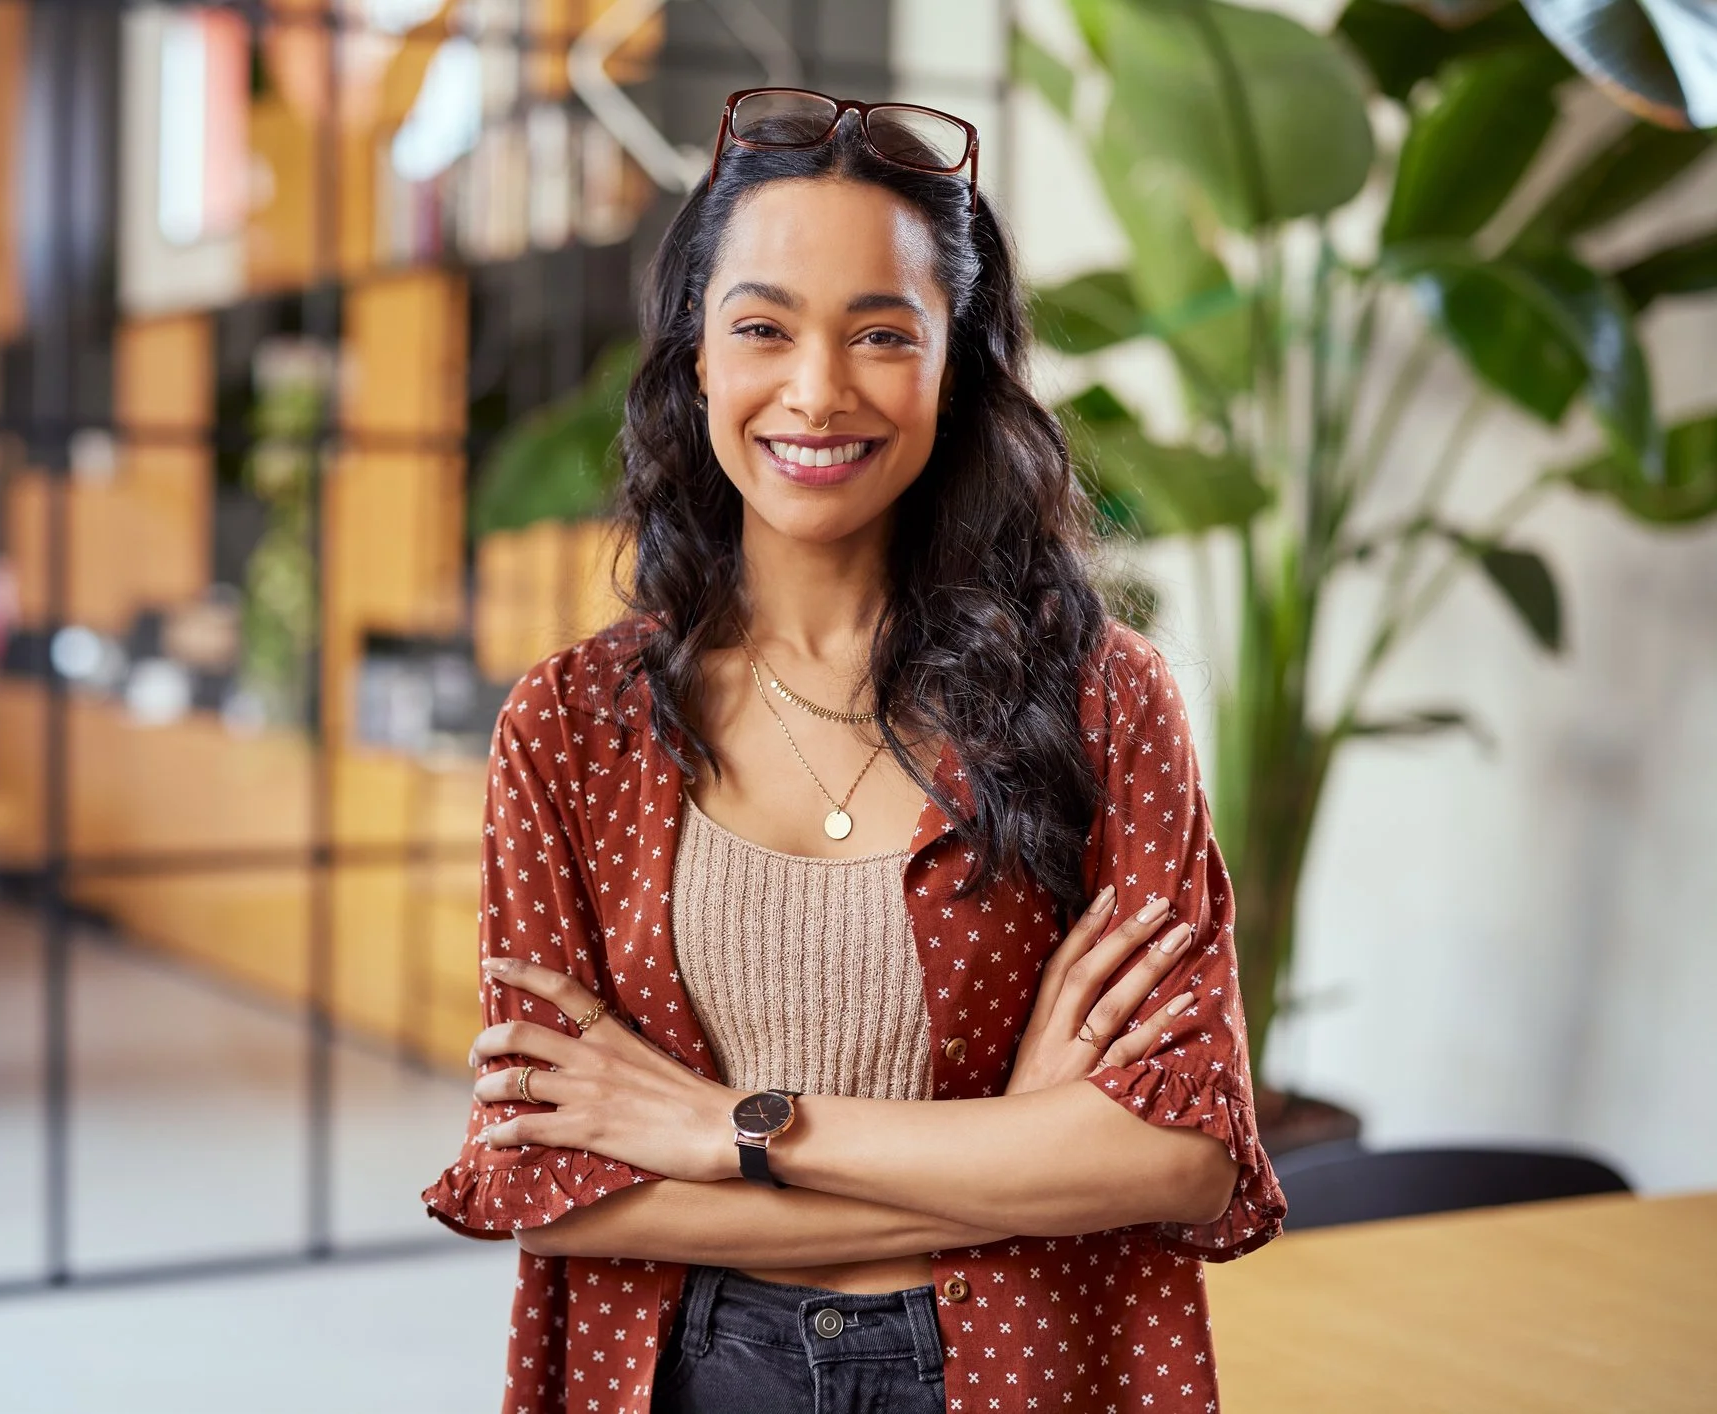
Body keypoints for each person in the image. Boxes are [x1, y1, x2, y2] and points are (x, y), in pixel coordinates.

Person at [423, 88, 1284, 1414]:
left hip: (1022, 1370)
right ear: (698, 356)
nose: (816, 391)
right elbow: (548, 1191)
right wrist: (1017, 1155)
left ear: (959, 362)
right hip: (688, 1368)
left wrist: (725, 1129)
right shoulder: (570, 730)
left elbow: (1181, 1156)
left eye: (883, 333)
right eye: (762, 326)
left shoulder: (1105, 701)